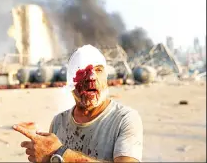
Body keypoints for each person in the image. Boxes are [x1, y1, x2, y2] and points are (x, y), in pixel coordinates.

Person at [13, 45, 143, 162]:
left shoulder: (125, 119)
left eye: (98, 70)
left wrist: (59, 154)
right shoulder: (59, 121)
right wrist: (44, 156)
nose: (92, 77)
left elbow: (56, 154)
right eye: (82, 71)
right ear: (70, 80)